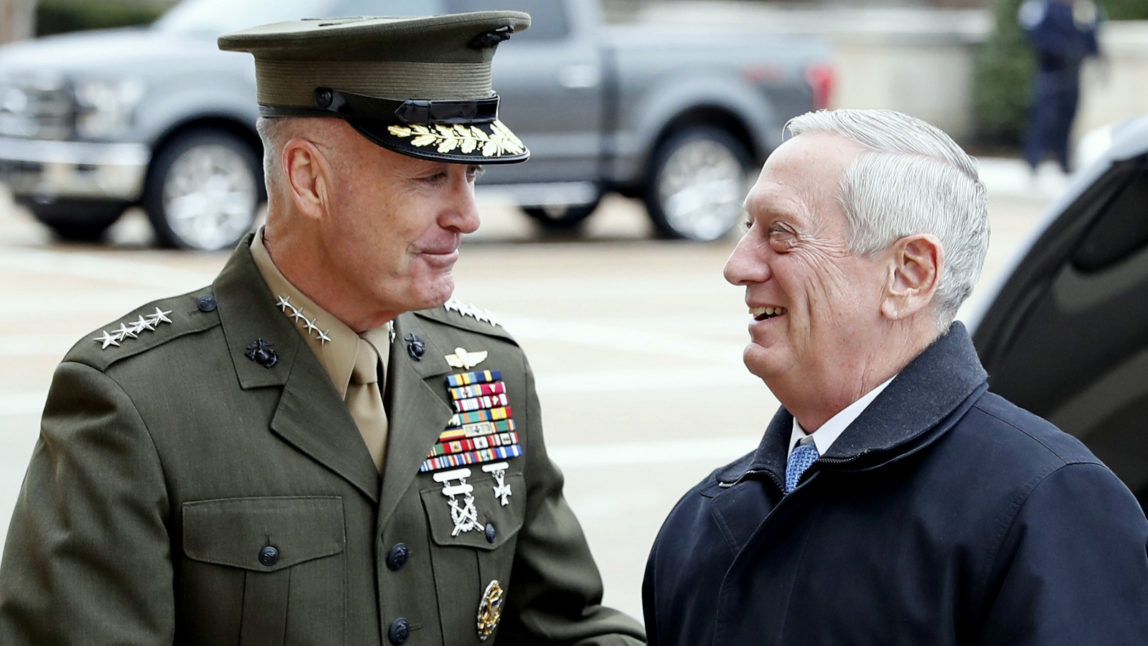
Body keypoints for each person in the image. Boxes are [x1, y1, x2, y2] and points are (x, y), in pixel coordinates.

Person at [0, 12, 644, 645]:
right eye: (430, 177)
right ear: (309, 179)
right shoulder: (138, 403)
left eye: (470, 177)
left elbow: (563, 625)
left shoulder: (484, 371)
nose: (468, 217)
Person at [642, 108, 1148, 644]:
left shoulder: (1049, 510)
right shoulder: (701, 522)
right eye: (750, 229)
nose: (739, 266)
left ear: (909, 274)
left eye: (782, 233)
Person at [1019, 0, 1103, 173]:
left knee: (1068, 118)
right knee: (1043, 119)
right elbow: (1035, 36)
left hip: (1072, 75)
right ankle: (1034, 161)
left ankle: (1064, 161)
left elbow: (1091, 39)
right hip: (1050, 74)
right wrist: (1063, 50)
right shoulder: (1042, 6)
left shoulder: (1081, 9)